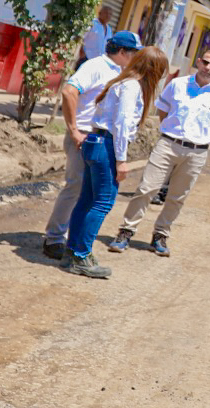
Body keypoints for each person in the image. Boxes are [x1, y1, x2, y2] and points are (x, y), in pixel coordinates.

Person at [106, 48, 210, 256]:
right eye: (205, 63)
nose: (208, 68)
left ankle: (160, 235)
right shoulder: (178, 84)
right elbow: (163, 111)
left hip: (196, 153)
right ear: (199, 62)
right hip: (167, 145)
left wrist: (202, 139)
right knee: (146, 188)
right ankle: (126, 231)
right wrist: (171, 131)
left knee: (177, 197)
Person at [61, 46, 170, 279]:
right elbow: (121, 125)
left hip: (95, 140)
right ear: (153, 69)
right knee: (102, 203)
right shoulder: (131, 87)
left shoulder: (121, 82)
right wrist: (121, 160)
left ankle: (72, 252)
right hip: (106, 145)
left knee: (87, 200)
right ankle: (81, 255)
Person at [42, 30, 142, 260]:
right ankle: (54, 238)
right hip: (84, 135)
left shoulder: (118, 71)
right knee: (75, 186)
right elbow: (69, 91)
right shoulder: (96, 66)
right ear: (122, 52)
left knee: (87, 192)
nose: (136, 57)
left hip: (96, 137)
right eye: (134, 52)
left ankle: (71, 240)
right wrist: (74, 130)